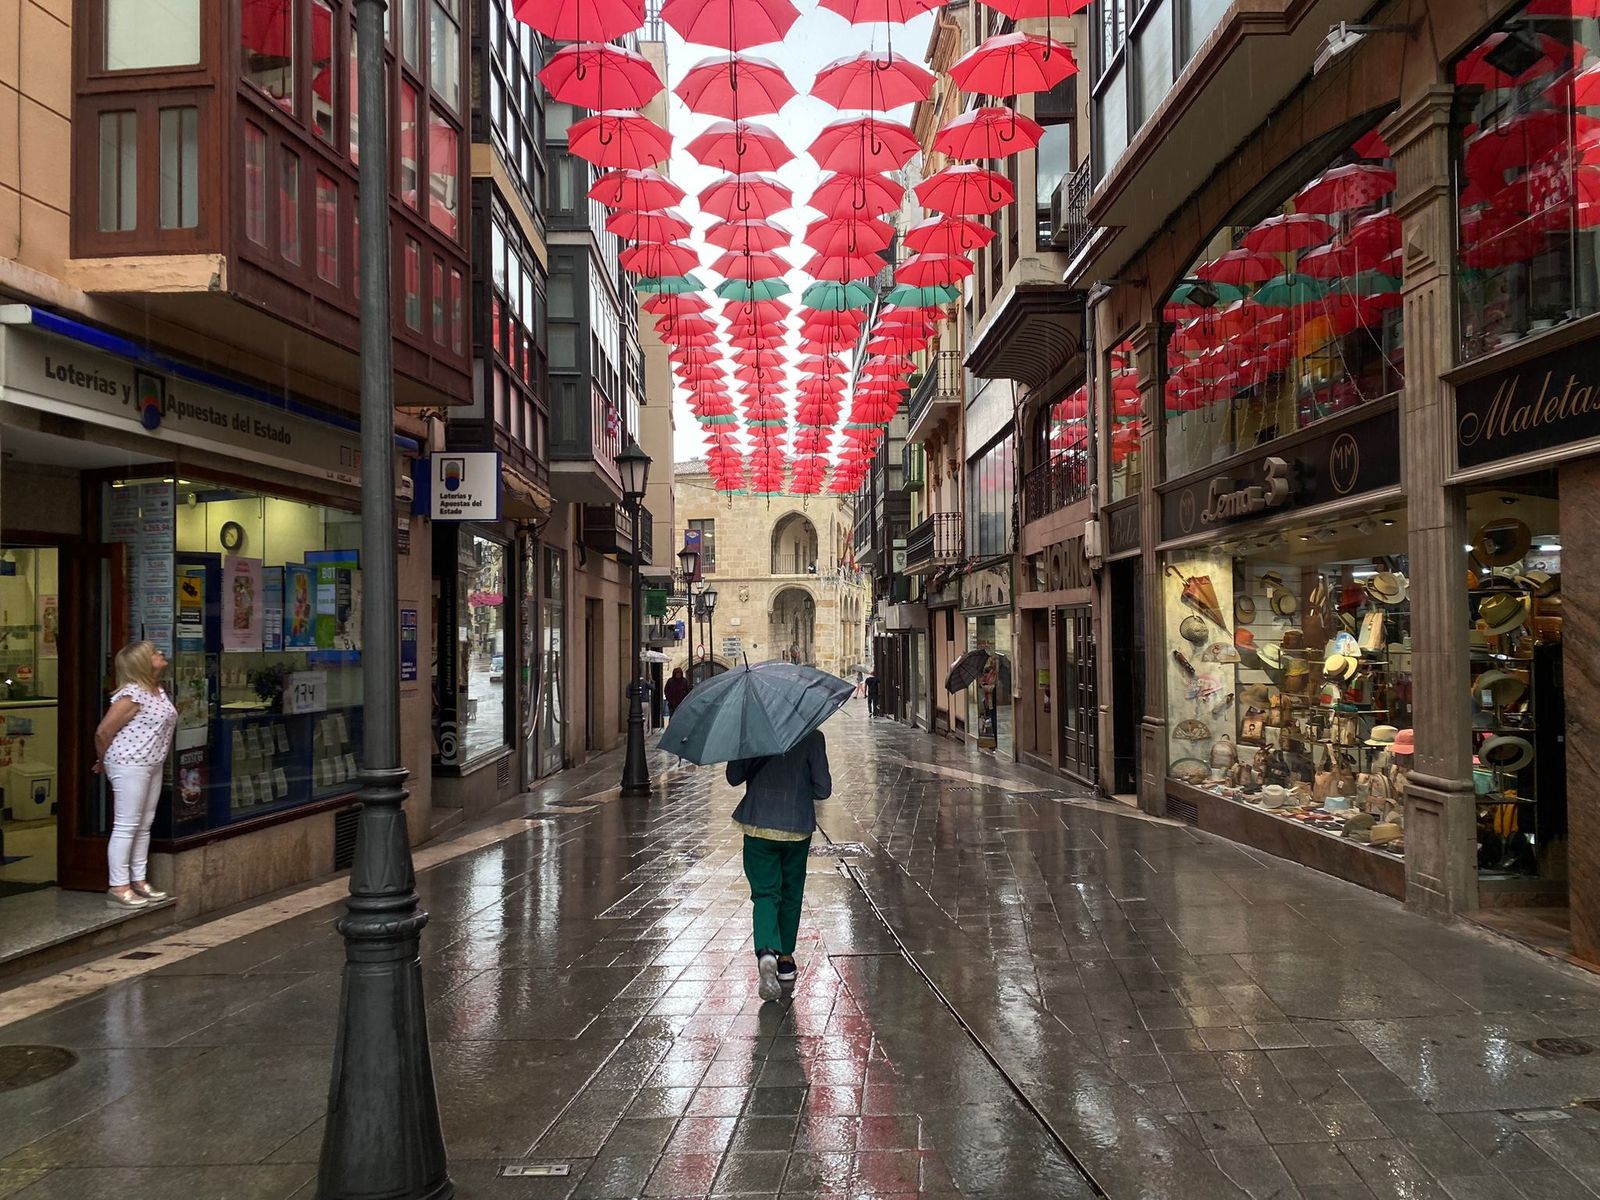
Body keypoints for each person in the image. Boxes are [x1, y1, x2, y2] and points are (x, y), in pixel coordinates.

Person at [727, 729, 833, 1001]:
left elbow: (733, 777)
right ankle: (785, 960)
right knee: (791, 893)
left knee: (765, 893)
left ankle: (765, 950)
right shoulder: (812, 736)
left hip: (758, 825)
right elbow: (823, 789)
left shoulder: (751, 732)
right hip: (797, 827)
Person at [94, 640, 178, 909]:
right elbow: (103, 731)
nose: (160, 653)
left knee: (144, 824)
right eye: (153, 652)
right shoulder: (132, 695)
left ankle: (139, 880)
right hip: (130, 763)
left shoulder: (157, 691)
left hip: (152, 763)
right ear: (142, 663)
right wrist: (102, 760)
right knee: (127, 824)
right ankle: (119, 886)